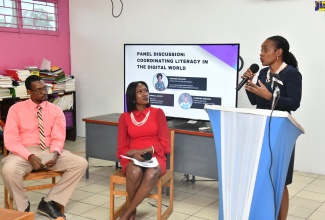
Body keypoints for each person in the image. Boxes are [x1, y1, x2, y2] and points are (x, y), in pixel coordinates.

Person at [1, 75, 88, 220]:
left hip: (48, 150)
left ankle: (50, 201)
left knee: (80, 163)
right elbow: (11, 140)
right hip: (23, 152)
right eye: (39, 90)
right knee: (8, 170)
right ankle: (24, 208)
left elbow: (58, 137)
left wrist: (55, 153)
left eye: (45, 88)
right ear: (29, 92)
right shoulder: (16, 109)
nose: (44, 92)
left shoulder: (56, 110)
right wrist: (29, 155)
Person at [242, 35, 302, 220]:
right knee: (262, 175)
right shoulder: (262, 73)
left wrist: (270, 97)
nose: (260, 54)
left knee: (280, 179)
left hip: (281, 131)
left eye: (265, 50)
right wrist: (249, 86)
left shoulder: (291, 73)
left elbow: (294, 102)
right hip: (261, 128)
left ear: (278, 52)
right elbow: (256, 102)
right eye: (260, 50)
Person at [117, 81, 170, 220]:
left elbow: (165, 143)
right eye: (140, 92)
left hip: (155, 156)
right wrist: (135, 153)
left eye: (146, 91)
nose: (145, 94)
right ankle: (132, 212)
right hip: (134, 157)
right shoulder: (125, 117)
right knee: (134, 172)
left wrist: (148, 150)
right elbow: (121, 147)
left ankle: (128, 212)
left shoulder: (158, 113)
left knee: (152, 174)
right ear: (132, 97)